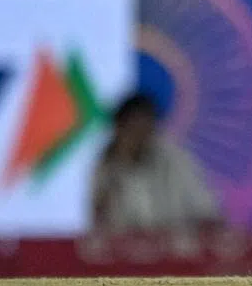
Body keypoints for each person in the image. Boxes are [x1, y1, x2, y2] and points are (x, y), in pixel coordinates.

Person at [92, 93, 222, 234]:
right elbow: (99, 222)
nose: (139, 136)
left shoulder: (175, 160)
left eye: (145, 127)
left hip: (175, 246)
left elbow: (207, 211)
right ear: (119, 129)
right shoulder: (106, 167)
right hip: (124, 250)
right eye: (133, 129)